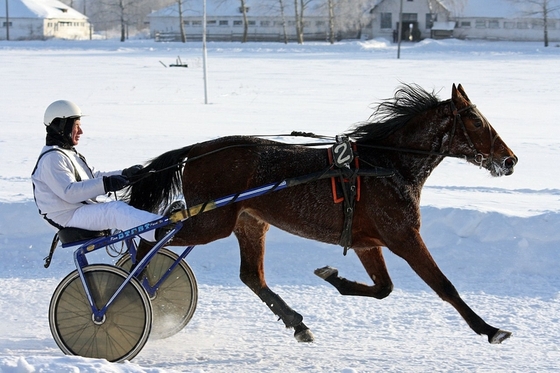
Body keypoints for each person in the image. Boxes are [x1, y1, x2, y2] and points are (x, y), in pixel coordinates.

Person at [31, 100, 164, 242]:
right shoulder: (52, 158)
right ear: (62, 126)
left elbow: (93, 177)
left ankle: (161, 221)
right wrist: (106, 184)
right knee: (115, 211)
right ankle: (160, 230)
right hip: (67, 216)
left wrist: (124, 174)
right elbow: (70, 193)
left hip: (78, 210)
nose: (81, 131)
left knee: (124, 206)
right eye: (76, 126)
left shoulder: (67, 153)